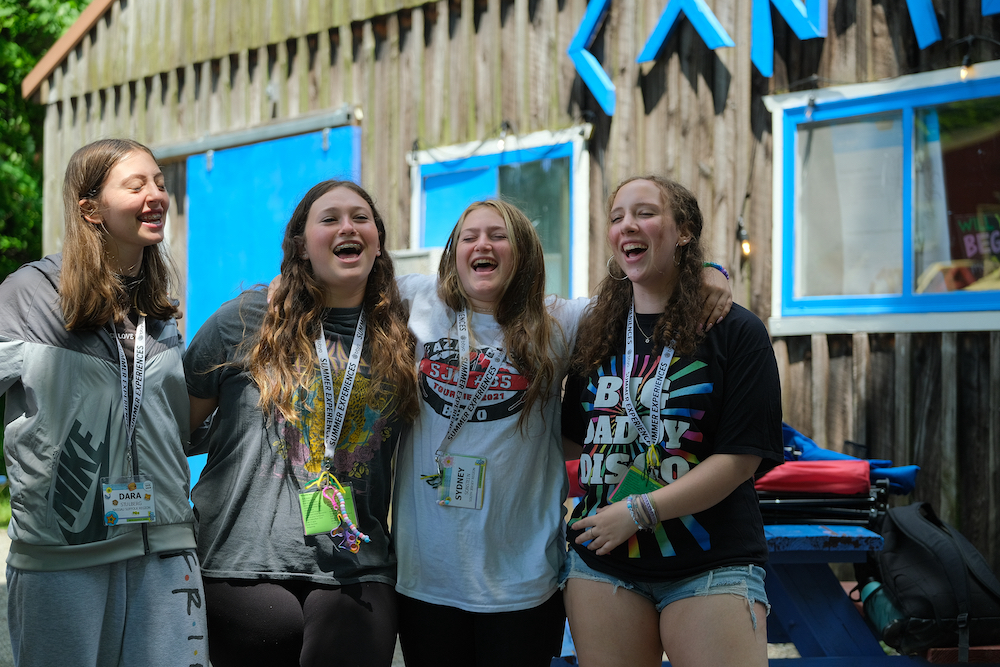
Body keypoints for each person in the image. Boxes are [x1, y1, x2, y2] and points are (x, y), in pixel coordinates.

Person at [392, 198, 733, 666]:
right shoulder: (418, 300)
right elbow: (344, 278)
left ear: (524, 251)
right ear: (454, 252)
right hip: (425, 577)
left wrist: (712, 272)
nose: (482, 245)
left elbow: (647, 286)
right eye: (469, 237)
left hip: (523, 581)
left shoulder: (559, 320)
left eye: (498, 236)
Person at [183, 180, 417, 667]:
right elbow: (174, 431)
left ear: (377, 241)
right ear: (301, 246)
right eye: (329, 219)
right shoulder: (244, 320)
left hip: (357, 569)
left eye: (360, 218)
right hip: (240, 567)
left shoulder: (405, 334)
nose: (347, 227)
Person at [560, 175, 784, 667]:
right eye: (617, 217)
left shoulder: (736, 331)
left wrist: (640, 511)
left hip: (710, 563)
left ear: (684, 231)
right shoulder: (595, 332)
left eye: (645, 213)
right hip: (602, 563)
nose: (627, 225)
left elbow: (740, 459)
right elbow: (573, 441)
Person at [0, 138, 207, 666]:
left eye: (159, 183)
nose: (156, 195)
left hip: (165, 547)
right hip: (62, 557)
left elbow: (171, 423)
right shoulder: (28, 296)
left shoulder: (158, 310)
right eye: (136, 185)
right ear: (90, 208)